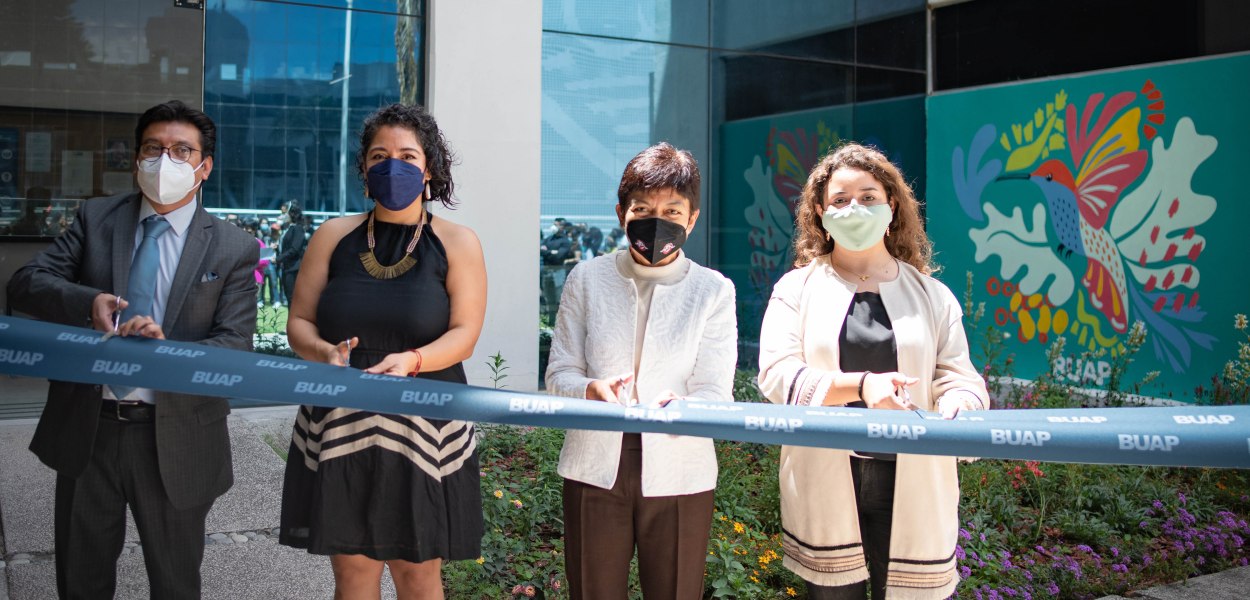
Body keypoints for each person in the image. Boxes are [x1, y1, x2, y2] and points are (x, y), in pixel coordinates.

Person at [6, 100, 258, 599]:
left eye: (182, 151)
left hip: (177, 433)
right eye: (153, 148)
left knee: (175, 582)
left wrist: (167, 354)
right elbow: (26, 282)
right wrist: (88, 302)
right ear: (136, 158)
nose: (165, 161)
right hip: (90, 427)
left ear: (205, 166)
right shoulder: (97, 218)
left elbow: (235, 345)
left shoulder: (232, 247)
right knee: (81, 580)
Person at [756, 143, 989, 599]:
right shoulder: (795, 289)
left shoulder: (933, 295)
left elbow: (958, 376)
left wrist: (960, 403)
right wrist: (863, 387)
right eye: (840, 200)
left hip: (912, 476)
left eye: (868, 197)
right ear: (820, 212)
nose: (854, 209)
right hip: (826, 473)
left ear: (892, 205)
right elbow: (778, 373)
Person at [279, 103, 487, 599]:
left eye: (408, 156)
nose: (393, 166)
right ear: (364, 168)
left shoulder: (458, 242)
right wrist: (323, 352)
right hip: (341, 420)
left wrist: (413, 361)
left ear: (429, 168)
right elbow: (299, 322)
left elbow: (465, 333)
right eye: (379, 156)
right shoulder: (332, 236)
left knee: (418, 576)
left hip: (425, 421)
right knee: (352, 577)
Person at [546, 142, 738, 599]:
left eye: (672, 210)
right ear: (621, 214)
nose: (657, 220)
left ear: (692, 219)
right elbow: (559, 374)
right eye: (642, 209)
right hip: (594, 464)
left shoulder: (713, 290)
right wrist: (591, 388)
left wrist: (685, 406)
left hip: (680, 466)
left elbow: (716, 391)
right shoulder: (586, 278)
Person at [276, 201, 306, 306]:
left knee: (292, 298)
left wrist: (279, 258)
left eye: (285, 213)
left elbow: (294, 249)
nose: (283, 216)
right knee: (289, 297)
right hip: (287, 267)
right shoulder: (288, 228)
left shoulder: (298, 229)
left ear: (292, 214)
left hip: (294, 268)